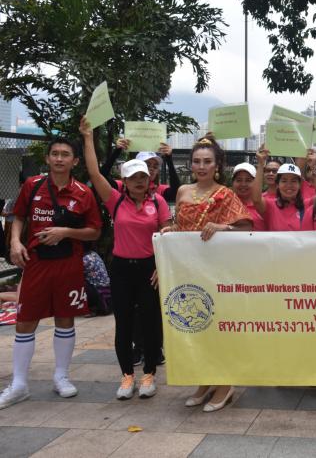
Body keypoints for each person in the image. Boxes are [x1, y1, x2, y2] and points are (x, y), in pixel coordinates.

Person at [0, 137, 102, 410]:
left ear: (75, 161)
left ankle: (61, 377)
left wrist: (65, 232)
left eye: (65, 154)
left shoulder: (83, 193)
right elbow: (18, 217)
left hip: (68, 264)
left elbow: (94, 232)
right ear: (47, 158)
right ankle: (19, 384)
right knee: (25, 320)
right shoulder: (32, 185)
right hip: (36, 263)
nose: (59, 158)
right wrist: (15, 242)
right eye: (54, 153)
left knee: (65, 318)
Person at [80, 117, 171, 399]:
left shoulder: (158, 202)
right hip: (121, 270)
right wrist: (88, 137)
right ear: (125, 181)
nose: (139, 181)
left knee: (151, 322)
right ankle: (127, 376)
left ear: (149, 178)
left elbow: (167, 235)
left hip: (149, 270)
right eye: (133, 178)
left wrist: (161, 266)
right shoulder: (115, 200)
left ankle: (149, 374)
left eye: (143, 176)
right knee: (124, 324)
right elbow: (94, 173)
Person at [162, 135, 253, 412]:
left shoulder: (225, 194)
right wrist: (170, 231)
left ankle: (225, 383)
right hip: (188, 270)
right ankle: (205, 379)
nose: (201, 166)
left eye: (207, 161)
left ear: (217, 165)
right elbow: (182, 227)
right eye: (197, 161)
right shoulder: (183, 191)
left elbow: (247, 228)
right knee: (197, 325)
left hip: (217, 271)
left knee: (219, 327)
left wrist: (223, 227)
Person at [100, 139, 180, 201]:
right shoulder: (123, 186)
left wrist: (169, 159)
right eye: (147, 165)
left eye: (155, 166)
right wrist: (117, 152)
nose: (152, 168)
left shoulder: (159, 189)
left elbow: (176, 193)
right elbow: (101, 178)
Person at [231, 163, 266, 231]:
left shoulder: (264, 204)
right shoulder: (225, 204)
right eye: (239, 180)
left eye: (248, 180)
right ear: (233, 182)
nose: (243, 184)